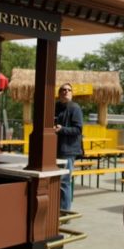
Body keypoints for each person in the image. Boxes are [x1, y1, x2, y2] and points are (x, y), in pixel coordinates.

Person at [54, 83, 83, 211]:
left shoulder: (75, 108)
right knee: (56, 182)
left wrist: (62, 129)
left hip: (69, 150)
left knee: (64, 181)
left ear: (71, 93)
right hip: (55, 150)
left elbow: (78, 129)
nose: (66, 92)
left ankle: (65, 212)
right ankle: (57, 210)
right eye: (63, 90)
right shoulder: (55, 107)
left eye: (68, 90)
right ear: (59, 93)